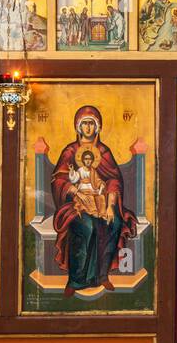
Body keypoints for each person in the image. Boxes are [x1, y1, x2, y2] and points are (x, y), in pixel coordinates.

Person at [51, 106, 135, 296]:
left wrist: (111, 206)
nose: (88, 128)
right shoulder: (70, 151)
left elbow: (114, 180)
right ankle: (76, 280)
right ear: (78, 127)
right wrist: (75, 191)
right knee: (86, 227)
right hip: (75, 204)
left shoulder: (103, 152)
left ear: (98, 127)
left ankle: (102, 275)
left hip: (101, 203)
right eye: (84, 124)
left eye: (91, 124)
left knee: (114, 224)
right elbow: (59, 179)